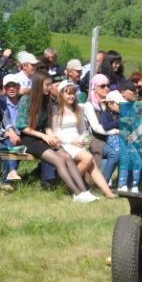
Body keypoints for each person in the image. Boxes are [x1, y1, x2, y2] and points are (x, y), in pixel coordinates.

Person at [16, 75, 98, 203]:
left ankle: (84, 192)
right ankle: (76, 194)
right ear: (39, 85)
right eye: (47, 85)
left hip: (43, 137)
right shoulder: (26, 100)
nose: (50, 87)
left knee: (67, 157)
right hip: (29, 139)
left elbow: (46, 125)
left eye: (50, 84)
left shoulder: (46, 100)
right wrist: (44, 136)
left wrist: (52, 136)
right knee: (59, 160)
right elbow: (22, 126)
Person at [52, 80, 116, 197]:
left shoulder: (77, 109)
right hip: (64, 144)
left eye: (73, 93)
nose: (71, 96)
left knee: (92, 165)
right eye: (68, 93)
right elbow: (56, 133)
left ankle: (108, 193)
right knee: (88, 158)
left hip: (78, 143)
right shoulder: (56, 110)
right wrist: (71, 141)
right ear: (61, 94)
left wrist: (84, 139)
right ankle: (68, 187)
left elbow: (82, 129)